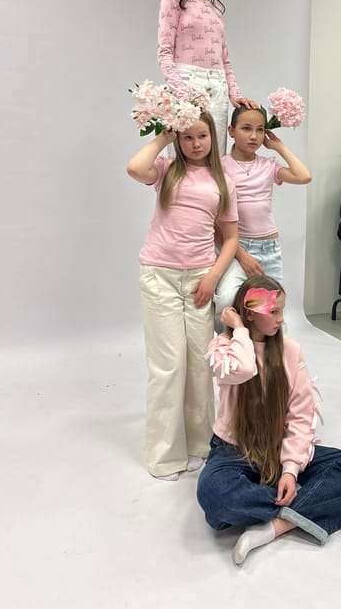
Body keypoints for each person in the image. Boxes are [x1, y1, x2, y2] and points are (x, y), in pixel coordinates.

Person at [197, 275, 341, 565]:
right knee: (215, 494)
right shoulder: (225, 349)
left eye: (282, 310)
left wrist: (291, 471)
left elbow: (301, 414)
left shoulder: (290, 351)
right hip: (233, 451)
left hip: (278, 449)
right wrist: (240, 330)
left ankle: (275, 526)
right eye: (274, 311)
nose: (282, 318)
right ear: (251, 314)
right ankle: (310, 502)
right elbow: (244, 369)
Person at [126, 111, 239, 481]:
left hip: (199, 281)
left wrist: (212, 277)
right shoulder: (165, 170)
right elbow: (133, 167)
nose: (195, 143)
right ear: (178, 138)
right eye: (187, 137)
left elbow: (230, 238)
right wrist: (163, 134)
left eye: (202, 136)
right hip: (160, 276)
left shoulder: (222, 181)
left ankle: (198, 446)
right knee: (169, 365)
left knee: (198, 364)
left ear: (213, 137)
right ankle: (164, 456)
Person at [157, 0, 258, 153]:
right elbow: (164, 53)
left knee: (215, 160)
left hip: (218, 88)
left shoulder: (216, 10)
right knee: (183, 162)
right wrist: (184, 97)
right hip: (186, 85)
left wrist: (236, 95)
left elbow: (225, 60)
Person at [214, 106, 312, 309]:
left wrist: (279, 147)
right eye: (246, 128)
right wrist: (240, 254)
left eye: (260, 129)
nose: (254, 136)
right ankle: (230, 338)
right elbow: (212, 220)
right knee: (226, 300)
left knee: (268, 307)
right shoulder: (220, 166)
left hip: (269, 249)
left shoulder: (268, 165)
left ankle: (259, 340)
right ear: (231, 131)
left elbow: (304, 177)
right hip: (236, 247)